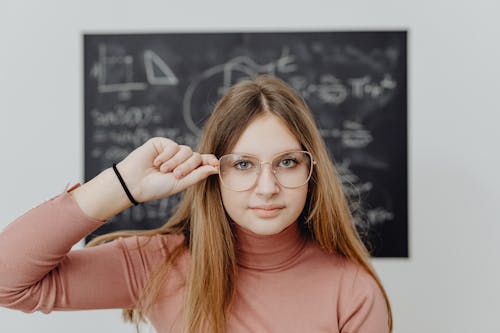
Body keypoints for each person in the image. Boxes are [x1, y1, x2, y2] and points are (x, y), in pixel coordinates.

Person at [0, 75, 392, 332]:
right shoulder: (158, 263)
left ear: (312, 170)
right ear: (214, 172)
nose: (267, 187)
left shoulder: (352, 291)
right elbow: (7, 283)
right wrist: (122, 185)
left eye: (287, 162)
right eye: (243, 164)